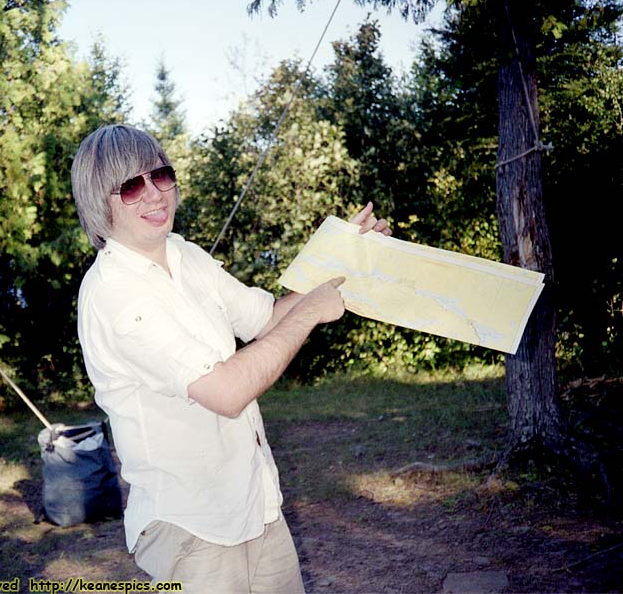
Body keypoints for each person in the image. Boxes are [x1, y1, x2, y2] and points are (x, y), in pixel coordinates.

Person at [71, 124, 391, 593]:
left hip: (255, 506)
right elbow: (226, 391)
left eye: (160, 175)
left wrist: (345, 259)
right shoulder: (113, 293)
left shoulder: (184, 255)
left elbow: (265, 319)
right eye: (132, 186)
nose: (154, 195)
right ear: (101, 202)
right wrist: (312, 315)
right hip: (190, 526)